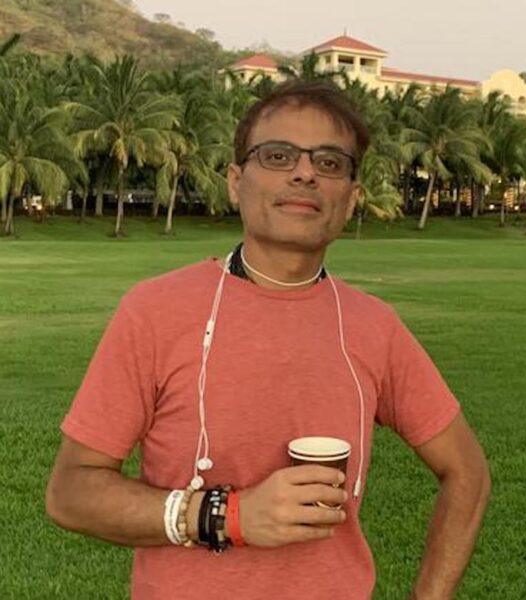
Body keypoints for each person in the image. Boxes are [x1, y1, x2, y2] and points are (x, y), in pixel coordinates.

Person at [46, 81, 491, 600]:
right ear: (236, 182)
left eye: (329, 163)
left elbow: (467, 472)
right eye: (278, 156)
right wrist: (229, 516)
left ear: (351, 198)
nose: (304, 173)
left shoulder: (374, 326)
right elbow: (71, 492)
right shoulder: (156, 312)